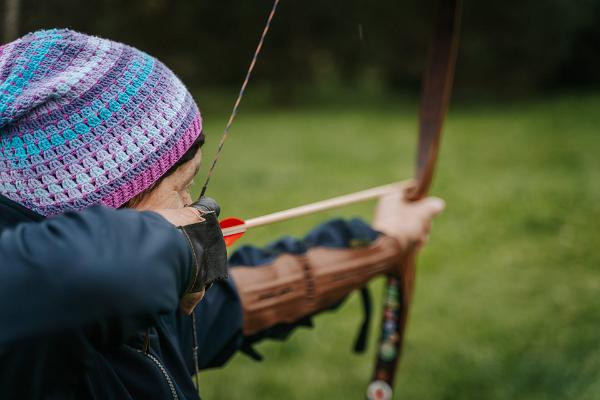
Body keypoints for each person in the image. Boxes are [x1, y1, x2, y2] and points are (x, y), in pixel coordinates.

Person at [0, 29, 444, 399]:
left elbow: (246, 298)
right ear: (99, 208)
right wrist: (178, 245)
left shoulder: (138, 319)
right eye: (181, 186)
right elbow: (99, 275)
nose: (194, 206)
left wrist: (383, 241)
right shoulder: (31, 335)